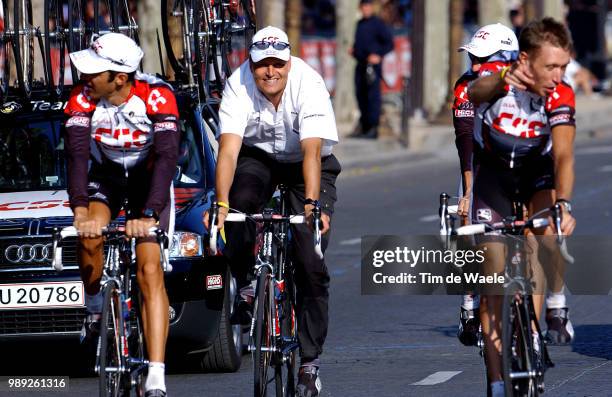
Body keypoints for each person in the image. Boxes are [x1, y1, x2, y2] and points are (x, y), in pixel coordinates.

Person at [203, 26, 341, 397]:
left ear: (289, 61)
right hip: (258, 158)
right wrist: (220, 203)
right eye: (262, 64)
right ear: (251, 63)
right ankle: (247, 282)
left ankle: (310, 364)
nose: (270, 72)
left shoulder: (309, 84)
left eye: (278, 63)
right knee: (236, 209)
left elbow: (312, 152)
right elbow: (229, 151)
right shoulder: (238, 82)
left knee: (311, 262)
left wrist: (312, 206)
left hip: (306, 165)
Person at [65, 32, 179, 397]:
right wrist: (80, 210)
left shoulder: (158, 96)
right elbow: (78, 158)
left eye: (95, 72)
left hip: (149, 182)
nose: (86, 77)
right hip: (106, 179)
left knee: (149, 268)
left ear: (119, 77)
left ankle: (157, 375)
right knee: (89, 235)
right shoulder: (82, 98)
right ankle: (96, 307)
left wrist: (149, 213)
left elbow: (166, 160)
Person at [468, 18, 576, 396]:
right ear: (526, 60)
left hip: (536, 177)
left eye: (563, 66)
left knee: (547, 229)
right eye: (551, 66)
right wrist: (501, 82)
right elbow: (474, 92)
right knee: (492, 284)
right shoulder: (500, 79)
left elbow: (563, 156)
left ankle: (551, 310)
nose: (558, 75)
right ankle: (497, 382)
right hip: (493, 181)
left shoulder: (560, 93)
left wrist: (563, 203)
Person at [452, 23, 519, 346]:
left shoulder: (529, 86)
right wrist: (468, 190)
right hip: (480, 164)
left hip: (522, 162)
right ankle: (470, 301)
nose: (475, 67)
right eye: (472, 60)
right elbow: (465, 140)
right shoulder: (466, 85)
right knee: (470, 220)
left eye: (483, 60)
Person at [351, 0, 394, 139]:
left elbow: (389, 43)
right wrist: (354, 51)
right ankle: (364, 127)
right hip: (360, 64)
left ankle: (373, 128)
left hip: (372, 67)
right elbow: (359, 45)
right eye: (364, 7)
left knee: (372, 97)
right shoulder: (359, 24)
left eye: (368, 6)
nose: (366, 9)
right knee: (360, 95)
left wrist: (378, 55)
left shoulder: (378, 24)